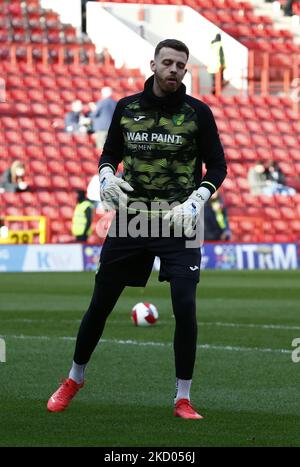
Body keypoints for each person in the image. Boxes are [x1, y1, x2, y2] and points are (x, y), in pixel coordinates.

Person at [47, 38, 227, 419]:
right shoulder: (127, 108)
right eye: (168, 63)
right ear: (153, 64)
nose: (174, 70)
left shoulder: (199, 113)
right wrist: (107, 175)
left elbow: (218, 166)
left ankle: (183, 397)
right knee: (101, 302)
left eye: (181, 64)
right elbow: (109, 152)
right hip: (132, 218)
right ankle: (74, 378)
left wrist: (196, 200)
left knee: (185, 306)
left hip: (181, 220)